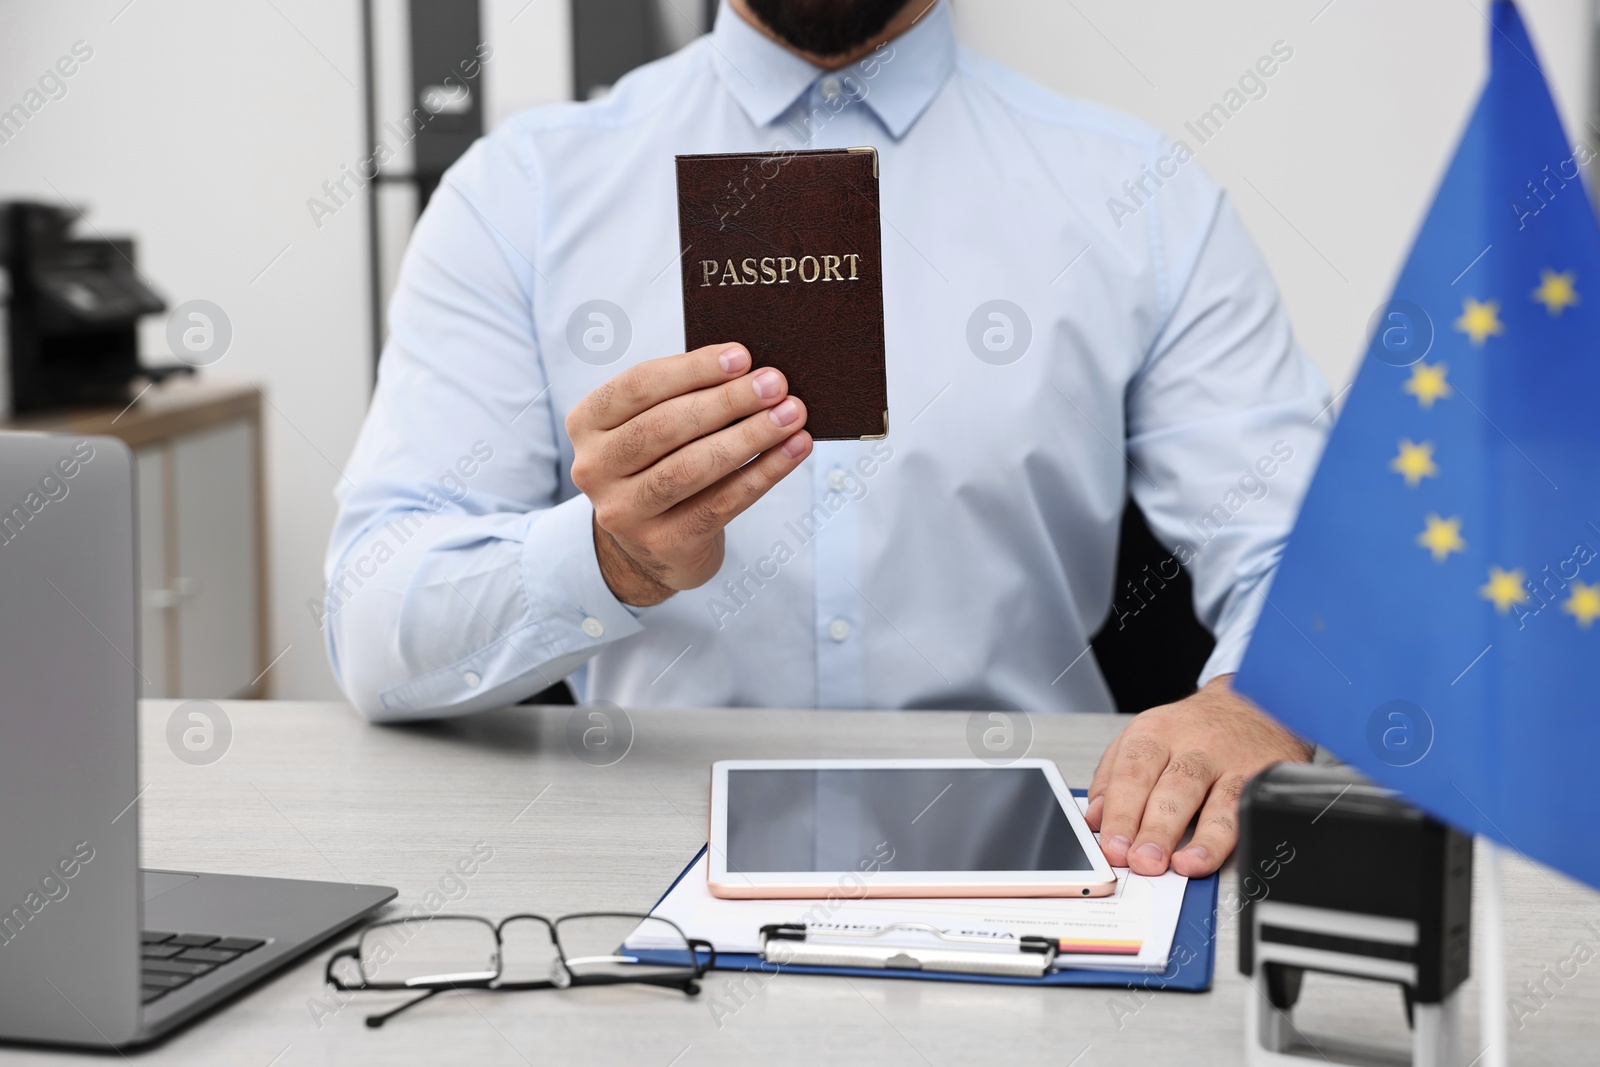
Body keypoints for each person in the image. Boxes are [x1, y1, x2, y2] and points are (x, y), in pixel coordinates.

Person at [324, 0, 1328, 878]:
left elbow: (1310, 550)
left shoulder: (1146, 196)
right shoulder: (518, 194)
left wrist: (1257, 699)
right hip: (632, 875)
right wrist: (604, 557)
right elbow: (371, 626)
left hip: (1033, 862)